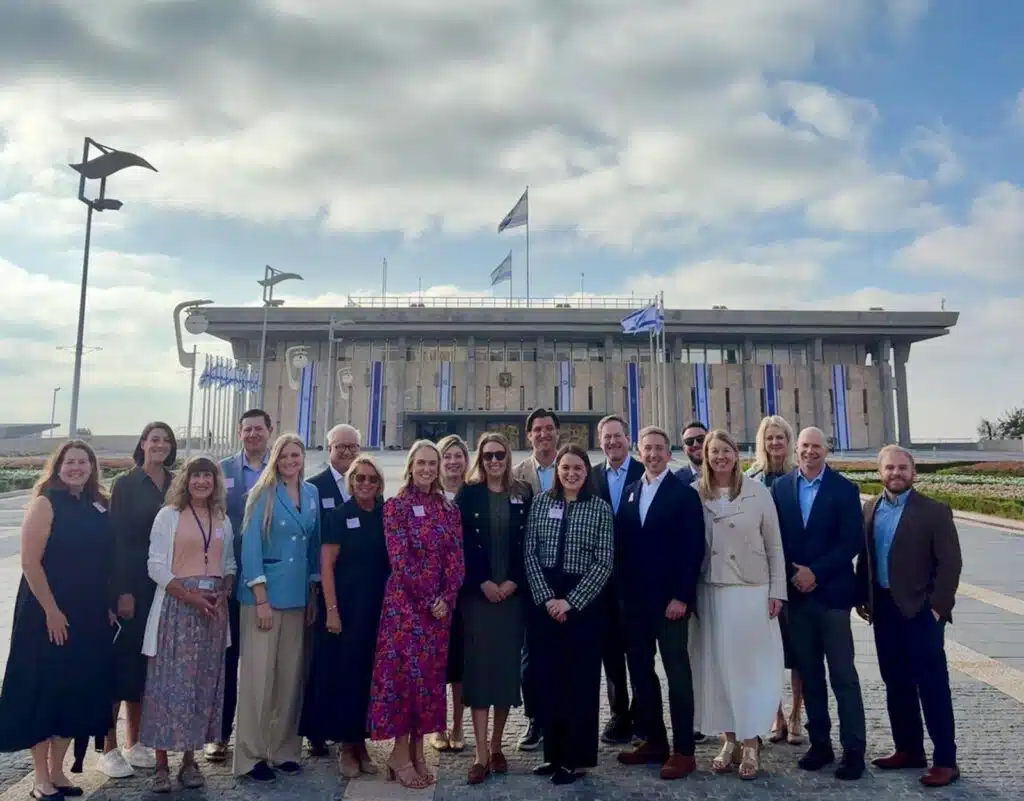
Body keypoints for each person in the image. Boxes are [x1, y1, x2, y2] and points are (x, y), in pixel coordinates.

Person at [0, 441, 115, 800]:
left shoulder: (99, 505)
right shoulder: (45, 503)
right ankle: (39, 779)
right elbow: (30, 563)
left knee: (73, 690)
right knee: (44, 690)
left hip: (87, 613)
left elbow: (105, 561)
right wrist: (51, 610)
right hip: (45, 612)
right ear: (58, 466)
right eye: (70, 462)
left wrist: (108, 604)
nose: (76, 467)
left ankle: (57, 772)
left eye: (83, 462)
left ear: (92, 467)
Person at [856, 445, 962, 788]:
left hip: (920, 612)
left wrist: (936, 607)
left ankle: (945, 760)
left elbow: (950, 564)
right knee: (895, 683)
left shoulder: (933, 512)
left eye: (902, 468)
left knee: (931, 687)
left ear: (913, 473)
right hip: (884, 610)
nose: (896, 473)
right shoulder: (870, 509)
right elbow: (867, 558)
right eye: (889, 468)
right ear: (880, 472)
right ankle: (908, 749)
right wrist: (863, 597)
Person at [770, 426, 867, 780]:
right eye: (804, 446)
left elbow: (851, 541)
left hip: (833, 596)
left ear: (826, 450)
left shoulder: (844, 489)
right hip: (797, 597)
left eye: (816, 446)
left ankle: (854, 750)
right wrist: (792, 574)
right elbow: (774, 538)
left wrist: (816, 572)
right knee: (810, 675)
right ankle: (820, 744)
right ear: (796, 451)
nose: (810, 452)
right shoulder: (781, 488)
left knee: (843, 675)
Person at [368, 440, 464, 790]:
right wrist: (428, 599)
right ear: (410, 466)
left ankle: (418, 751)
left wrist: (447, 597)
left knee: (428, 684)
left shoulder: (447, 509)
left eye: (432, 463)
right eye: (421, 463)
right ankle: (399, 753)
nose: (426, 469)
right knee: (404, 681)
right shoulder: (396, 507)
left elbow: (456, 559)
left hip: (438, 614)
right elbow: (401, 561)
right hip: (406, 610)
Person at [692, 429, 786, 781]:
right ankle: (728, 739)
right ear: (705, 455)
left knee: (749, 667)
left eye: (726, 450)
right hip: (710, 589)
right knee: (716, 668)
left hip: (751, 589)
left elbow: (775, 544)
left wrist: (778, 590)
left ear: (737, 453)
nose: (720, 457)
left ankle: (751, 740)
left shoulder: (757, 492)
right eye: (714, 451)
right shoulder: (694, 493)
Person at [139, 457, 236, 792]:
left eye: (207, 476)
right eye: (196, 476)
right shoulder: (169, 516)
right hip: (177, 610)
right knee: (167, 686)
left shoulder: (222, 518)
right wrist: (189, 596)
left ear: (215, 481)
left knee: (201, 688)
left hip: (212, 614)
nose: (201, 482)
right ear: (185, 480)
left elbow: (230, 561)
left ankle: (190, 762)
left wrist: (226, 585)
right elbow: (155, 566)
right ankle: (162, 766)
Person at [616, 426, 705, 781]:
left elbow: (692, 549)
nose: (652, 454)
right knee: (640, 673)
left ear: (669, 454)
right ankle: (655, 739)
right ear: (640, 452)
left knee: (677, 674)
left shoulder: (683, 494)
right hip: (635, 605)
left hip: (670, 605)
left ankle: (684, 749)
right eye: (646, 449)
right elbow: (623, 547)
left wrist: (681, 596)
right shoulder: (632, 492)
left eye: (658, 449)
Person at [523, 444, 613, 786]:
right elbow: (529, 552)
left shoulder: (600, 509)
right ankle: (554, 755)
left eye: (578, 468)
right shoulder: (542, 503)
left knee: (579, 683)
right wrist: (547, 598)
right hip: (545, 597)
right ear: (557, 471)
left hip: (583, 605)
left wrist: (570, 602)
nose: (571, 474)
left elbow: (604, 562)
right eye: (565, 468)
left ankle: (576, 759)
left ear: (586, 472)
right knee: (548, 680)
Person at [233, 434, 321, 782]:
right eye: (283, 455)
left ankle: (284, 749)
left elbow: (314, 545)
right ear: (274, 458)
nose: (290, 461)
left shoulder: (312, 494)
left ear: (303, 458)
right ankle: (251, 756)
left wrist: (314, 592)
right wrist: (261, 598)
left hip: (298, 597)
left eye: (296, 455)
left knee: (289, 678)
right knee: (259, 679)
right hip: (263, 599)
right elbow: (250, 546)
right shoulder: (262, 494)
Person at [300, 455, 389, 779]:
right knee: (346, 678)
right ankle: (347, 747)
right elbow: (326, 567)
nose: (365, 484)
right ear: (351, 482)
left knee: (368, 678)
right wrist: (332, 610)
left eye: (371, 479)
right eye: (359, 478)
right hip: (344, 611)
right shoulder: (339, 515)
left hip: (376, 610)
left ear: (379, 484)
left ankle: (362, 742)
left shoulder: (385, 514)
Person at [101, 422, 176, 778]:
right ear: (143, 443)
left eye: (166, 440)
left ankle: (136, 741)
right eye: (154, 439)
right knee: (120, 664)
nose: (160, 445)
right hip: (133, 585)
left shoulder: (176, 482)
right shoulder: (126, 484)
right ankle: (109, 747)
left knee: (146, 665)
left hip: (164, 586)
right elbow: (117, 540)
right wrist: (121, 591)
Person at [457, 433, 531, 785]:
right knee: (480, 671)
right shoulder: (468, 494)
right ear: (480, 459)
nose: (494, 461)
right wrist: (482, 582)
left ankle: (498, 745)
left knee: (505, 671)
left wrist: (514, 581)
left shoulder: (522, 493)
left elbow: (529, 544)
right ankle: (480, 753)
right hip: (478, 598)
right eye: (488, 455)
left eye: (500, 454)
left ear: (508, 456)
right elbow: (462, 546)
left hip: (512, 597)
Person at [207, 409, 273, 763]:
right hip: (230, 577)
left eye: (258, 429)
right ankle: (219, 734)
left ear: (269, 431)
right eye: (247, 429)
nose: (252, 435)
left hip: (269, 581)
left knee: (261, 660)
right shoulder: (223, 470)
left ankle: (263, 734)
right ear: (239, 432)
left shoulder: (280, 468)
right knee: (227, 658)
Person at [302, 423, 362, 758]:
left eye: (354, 447)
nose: (348, 453)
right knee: (321, 660)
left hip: (356, 589)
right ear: (328, 449)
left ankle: (346, 728)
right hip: (323, 587)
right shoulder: (315, 487)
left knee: (349, 661)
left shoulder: (366, 484)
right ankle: (316, 729)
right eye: (341, 447)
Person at [745, 415, 804, 745]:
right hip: (759, 577)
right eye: (769, 438)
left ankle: (796, 713)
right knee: (766, 651)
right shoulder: (750, 478)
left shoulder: (799, 477)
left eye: (780, 437)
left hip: (794, 575)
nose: (775, 443)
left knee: (797, 650)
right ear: (761, 442)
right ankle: (776, 715)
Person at [591, 414, 643, 745]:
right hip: (601, 583)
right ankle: (618, 714)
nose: (612, 442)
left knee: (639, 651)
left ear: (628, 438)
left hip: (636, 580)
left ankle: (642, 714)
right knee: (611, 653)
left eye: (617, 436)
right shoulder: (591, 475)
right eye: (607, 437)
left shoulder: (643, 472)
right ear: (600, 442)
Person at [511, 408, 560, 751]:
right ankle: (535, 719)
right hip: (531, 576)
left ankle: (564, 718)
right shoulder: (517, 475)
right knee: (530, 654)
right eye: (537, 430)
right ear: (529, 436)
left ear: (558, 433)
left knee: (567, 653)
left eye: (548, 429)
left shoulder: (575, 466)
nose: (543, 434)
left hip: (569, 575)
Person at [429, 434, 470, 753]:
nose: (453, 461)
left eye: (458, 455)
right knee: (435, 662)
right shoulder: (429, 496)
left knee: (458, 662)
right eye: (447, 456)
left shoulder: (474, 494)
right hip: (433, 595)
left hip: (467, 592)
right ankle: (437, 725)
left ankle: (457, 724)